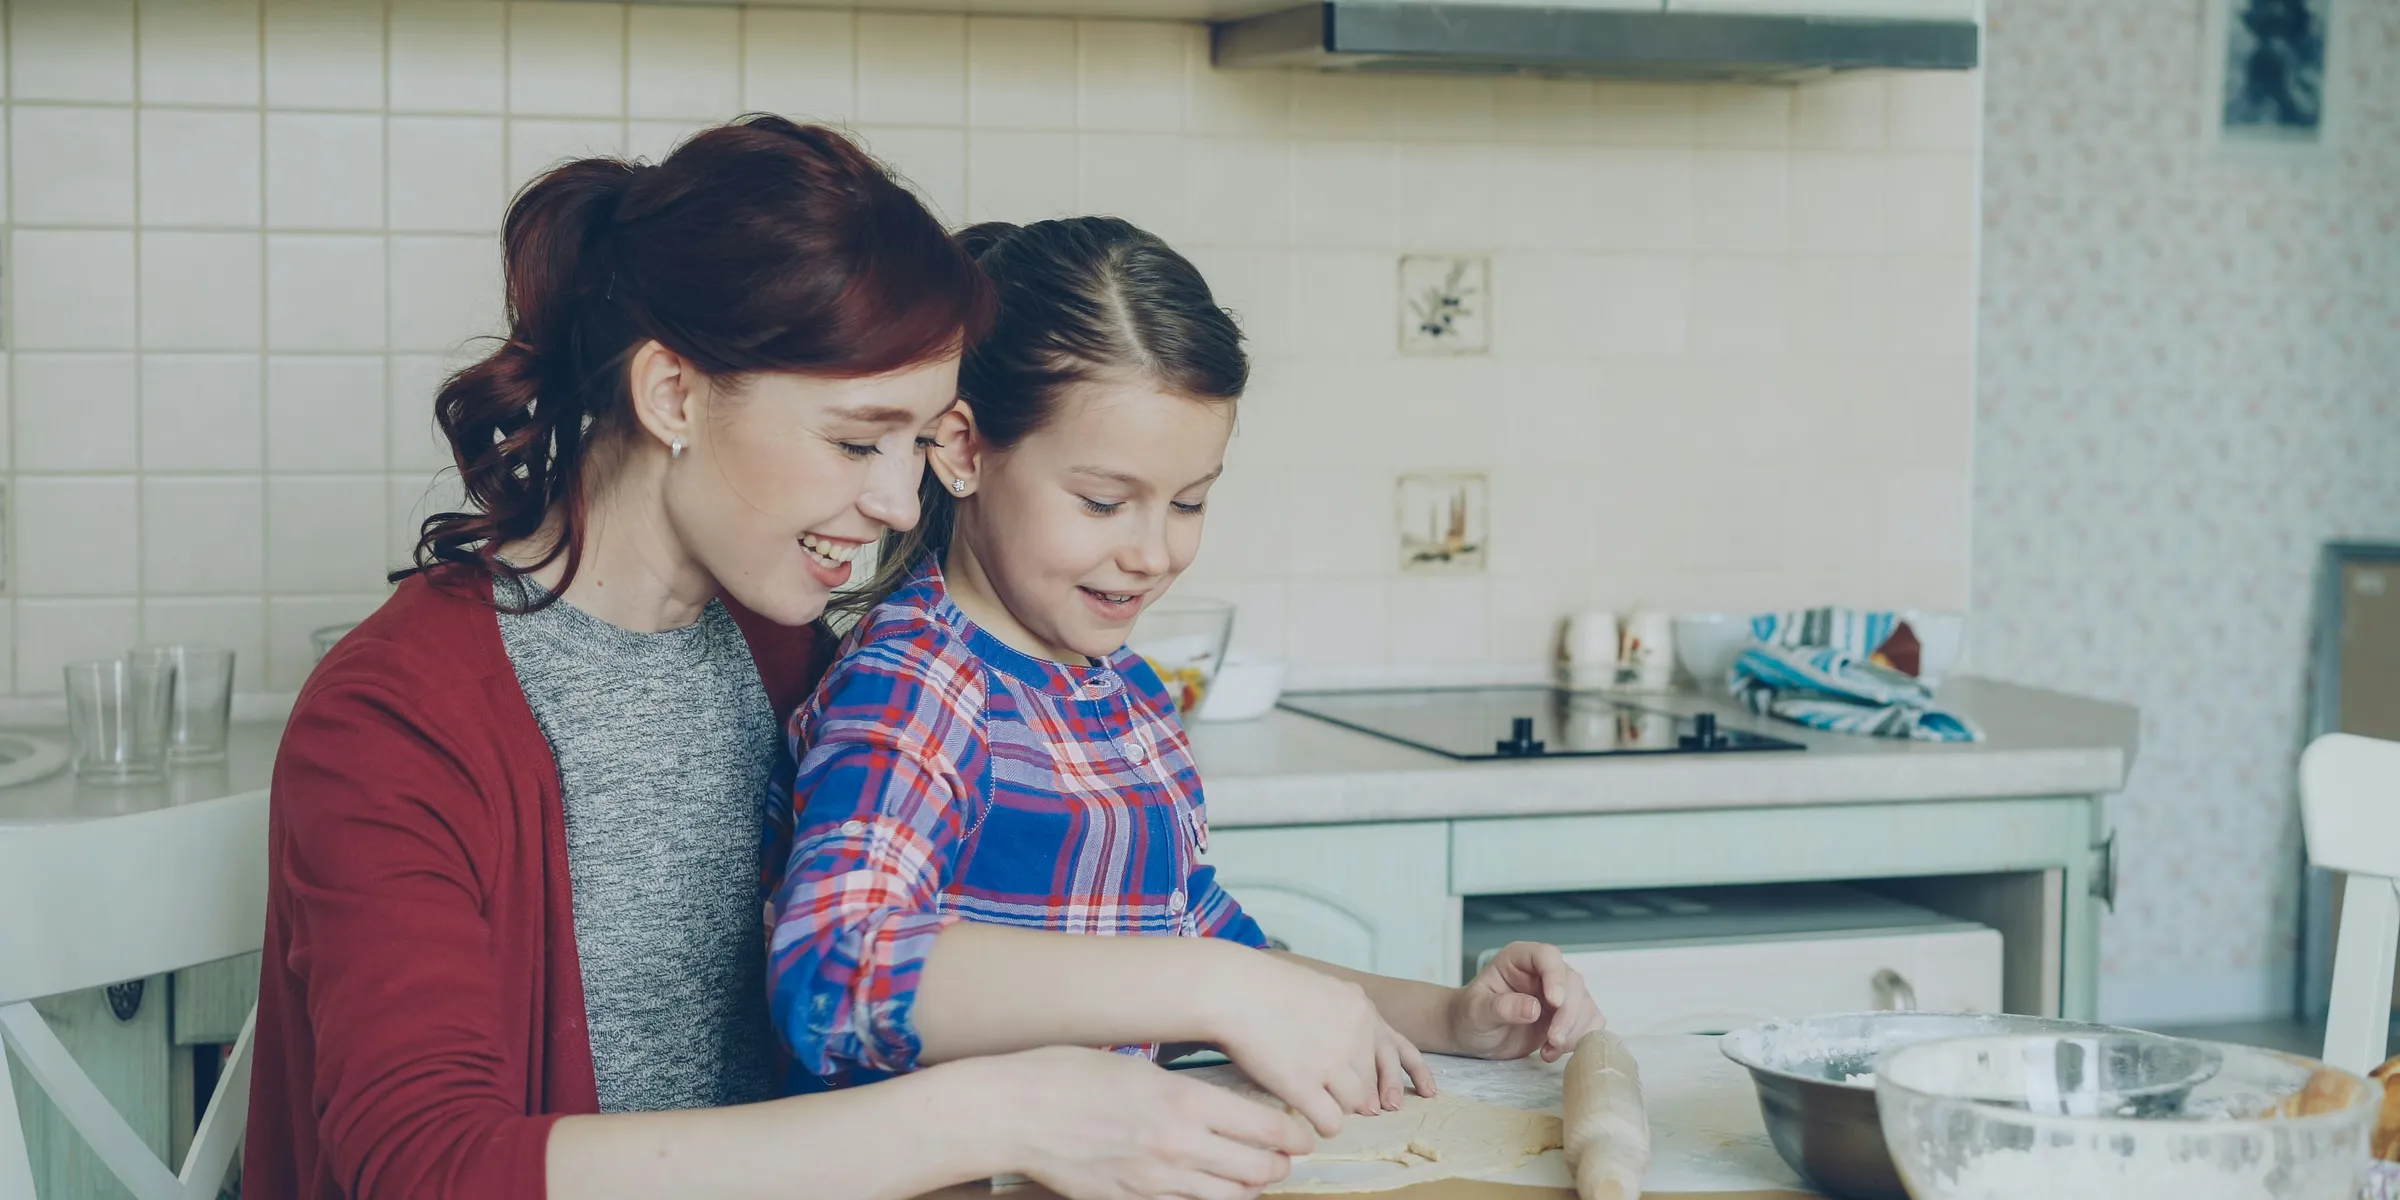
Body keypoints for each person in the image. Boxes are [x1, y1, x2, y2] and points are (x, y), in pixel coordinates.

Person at [247, 119, 1311, 1200]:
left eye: (915, 444)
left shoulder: (785, 654)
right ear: (674, 396)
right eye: (856, 442)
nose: (900, 503)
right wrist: (997, 1114)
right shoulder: (395, 718)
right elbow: (425, 1172)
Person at [768, 217, 1604, 1136]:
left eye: (1190, 501)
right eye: (1102, 501)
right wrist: (1211, 984)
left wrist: (1448, 1016)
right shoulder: (918, 684)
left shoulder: (1123, 693)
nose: (1153, 552)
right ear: (964, 451)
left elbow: (1202, 951)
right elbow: (834, 976)